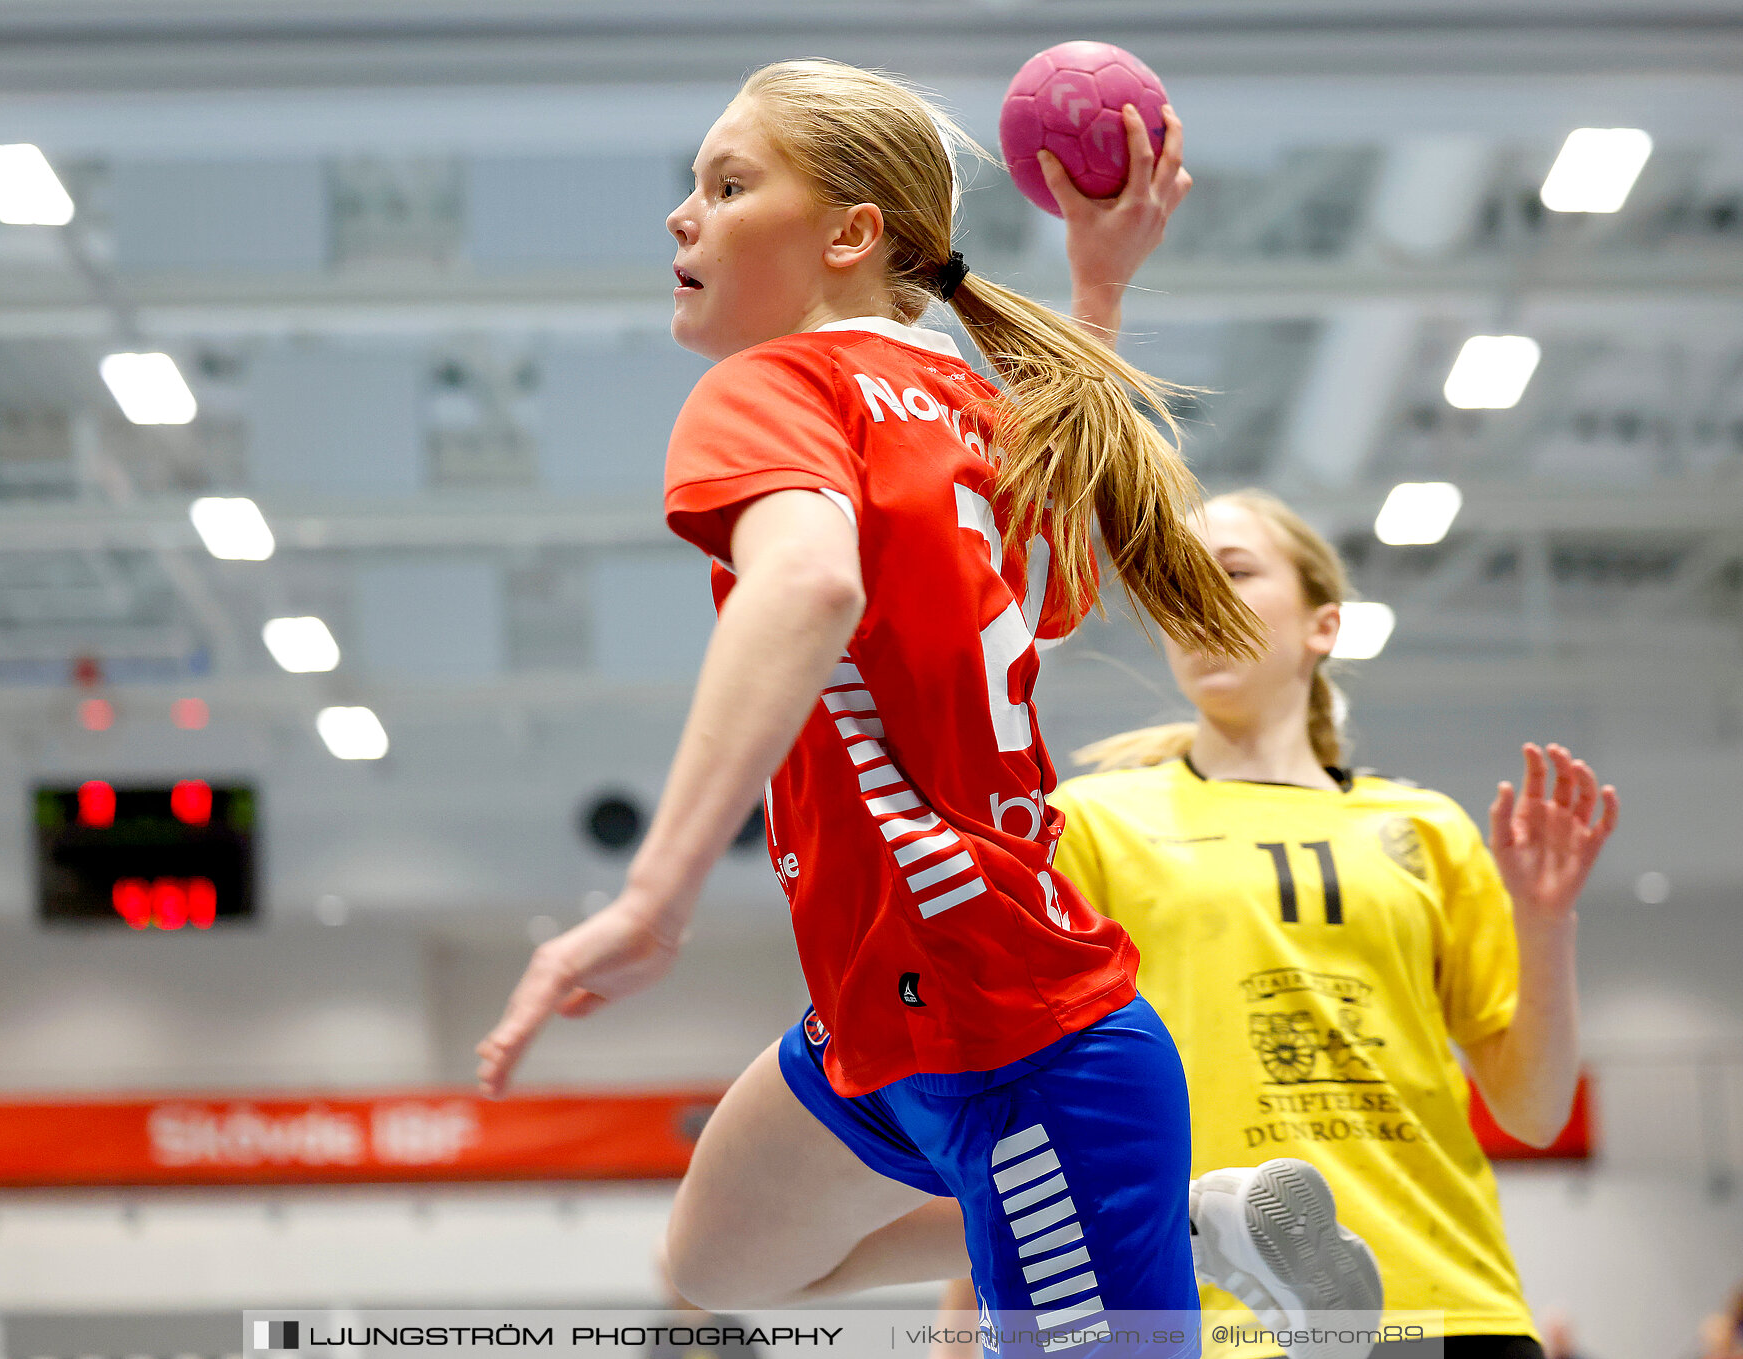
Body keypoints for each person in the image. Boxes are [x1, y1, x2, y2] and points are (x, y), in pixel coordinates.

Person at [475, 58, 1366, 1357]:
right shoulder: (967, 410)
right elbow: (1053, 535)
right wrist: (1097, 292)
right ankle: (1180, 1226)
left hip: (1010, 1038)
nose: (684, 215)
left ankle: (1141, 1222)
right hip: (899, 1017)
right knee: (718, 1263)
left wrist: (650, 898)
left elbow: (810, 580)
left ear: (851, 235)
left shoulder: (772, 388)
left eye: (727, 184)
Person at [974, 486, 1617, 1359]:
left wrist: (1544, 924)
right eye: (1177, 583)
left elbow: (1534, 1111)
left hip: (1449, 1308)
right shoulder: (1088, 825)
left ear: (1324, 626)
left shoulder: (1427, 828)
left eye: (1234, 571)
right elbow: (1021, 1105)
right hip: (1218, 1319)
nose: (1199, 599)